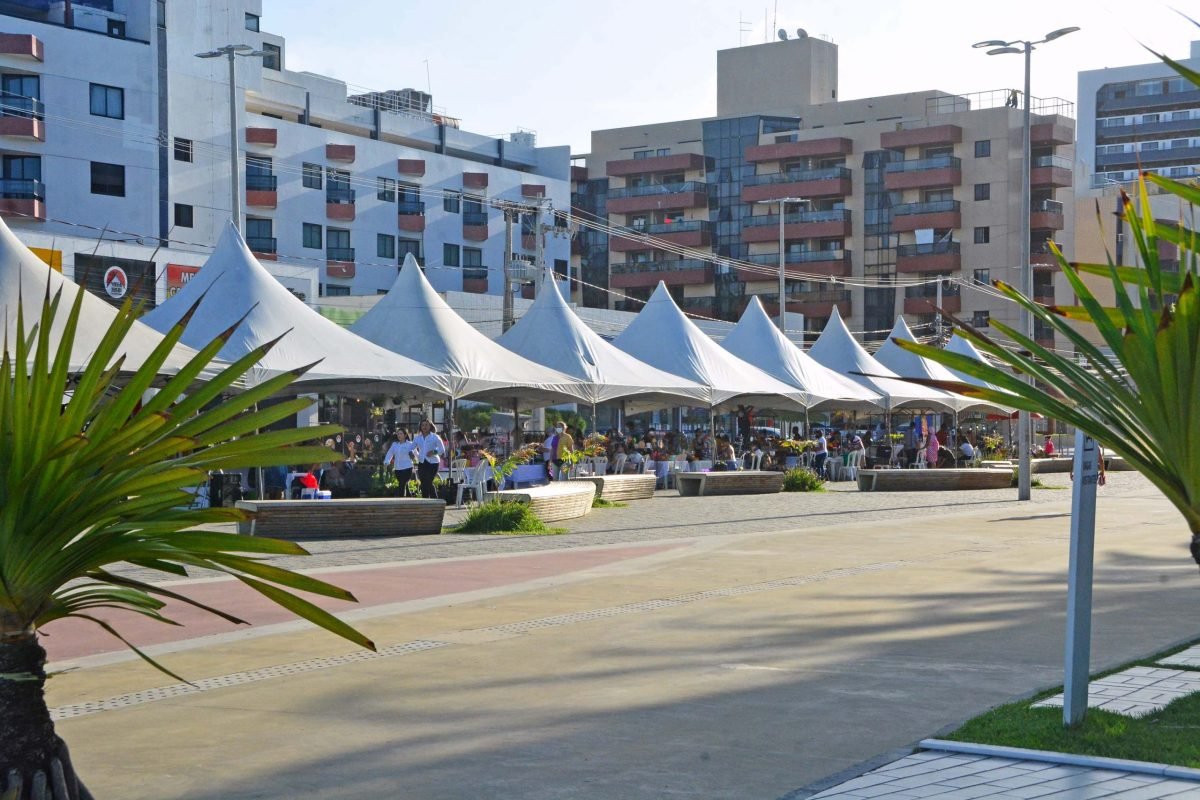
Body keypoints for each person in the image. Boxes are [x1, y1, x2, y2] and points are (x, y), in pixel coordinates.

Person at [411, 418, 446, 499]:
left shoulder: (435, 437)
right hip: (422, 462)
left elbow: (442, 450)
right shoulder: (417, 438)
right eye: (423, 425)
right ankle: (425, 501)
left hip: (433, 463)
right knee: (423, 483)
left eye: (426, 425)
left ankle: (435, 500)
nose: (424, 427)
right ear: (420, 427)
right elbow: (411, 448)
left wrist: (434, 452)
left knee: (428, 481)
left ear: (430, 426)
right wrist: (416, 455)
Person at [383, 429, 416, 497]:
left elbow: (416, 455)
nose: (399, 435)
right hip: (398, 469)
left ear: (405, 435)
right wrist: (386, 462)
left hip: (407, 468)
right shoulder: (395, 445)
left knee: (402, 484)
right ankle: (410, 498)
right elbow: (390, 453)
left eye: (401, 434)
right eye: (398, 434)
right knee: (404, 485)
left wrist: (418, 459)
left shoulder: (410, 444)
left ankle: (401, 501)